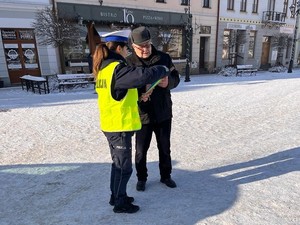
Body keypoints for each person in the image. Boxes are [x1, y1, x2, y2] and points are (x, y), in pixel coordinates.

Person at [93, 30, 169, 213]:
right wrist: (162, 69)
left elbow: (118, 93)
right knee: (124, 168)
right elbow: (142, 76)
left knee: (117, 165)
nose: (128, 51)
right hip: (119, 126)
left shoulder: (104, 68)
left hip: (111, 123)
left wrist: (137, 97)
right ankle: (120, 203)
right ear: (119, 48)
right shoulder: (117, 68)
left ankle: (116, 196)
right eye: (126, 48)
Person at [126, 26, 180, 191]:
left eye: (147, 45)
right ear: (133, 47)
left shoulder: (163, 58)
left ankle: (166, 176)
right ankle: (141, 178)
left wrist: (168, 82)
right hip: (142, 115)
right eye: (141, 47)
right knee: (141, 151)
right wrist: (140, 93)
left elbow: (176, 78)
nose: (145, 49)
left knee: (164, 147)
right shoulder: (129, 62)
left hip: (163, 112)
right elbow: (125, 88)